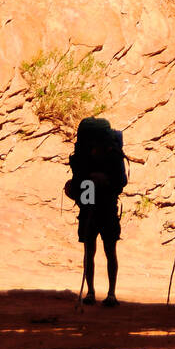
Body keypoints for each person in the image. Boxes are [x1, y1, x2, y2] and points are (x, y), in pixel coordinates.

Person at [69, 118, 126, 306]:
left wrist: (102, 180)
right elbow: (121, 182)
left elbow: (120, 181)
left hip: (98, 202)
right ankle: (103, 293)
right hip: (101, 203)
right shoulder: (93, 154)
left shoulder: (110, 154)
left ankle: (98, 293)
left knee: (97, 249)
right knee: (101, 249)